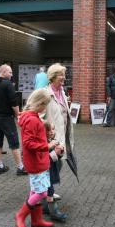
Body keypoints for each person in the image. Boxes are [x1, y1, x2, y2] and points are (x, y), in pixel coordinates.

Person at [15, 88, 55, 227]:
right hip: (36, 161)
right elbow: (28, 143)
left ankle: (36, 221)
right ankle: (20, 215)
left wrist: (47, 134)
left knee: (36, 190)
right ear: (39, 104)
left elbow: (35, 137)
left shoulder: (33, 117)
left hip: (38, 160)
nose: (45, 108)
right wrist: (47, 146)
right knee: (42, 193)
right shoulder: (32, 119)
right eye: (45, 105)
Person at [44, 63, 76, 212]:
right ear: (52, 77)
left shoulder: (62, 92)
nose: (63, 77)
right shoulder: (45, 94)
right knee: (50, 168)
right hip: (51, 140)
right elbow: (37, 116)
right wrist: (47, 135)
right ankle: (46, 199)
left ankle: (47, 193)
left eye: (64, 74)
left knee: (58, 165)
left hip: (63, 139)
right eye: (60, 75)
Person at [0, 64, 27, 175]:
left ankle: (0, 166)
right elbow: (14, 103)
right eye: (10, 72)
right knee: (14, 143)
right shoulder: (7, 84)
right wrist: (18, 115)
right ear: (3, 72)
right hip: (6, 118)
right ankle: (20, 168)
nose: (11, 74)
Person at [43, 121, 67, 222]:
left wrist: (60, 152)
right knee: (50, 191)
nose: (52, 132)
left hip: (50, 171)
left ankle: (45, 208)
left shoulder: (52, 141)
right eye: (49, 130)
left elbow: (55, 157)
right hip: (46, 172)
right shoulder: (45, 143)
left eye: (53, 129)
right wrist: (55, 153)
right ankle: (54, 212)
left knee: (46, 191)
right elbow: (45, 159)